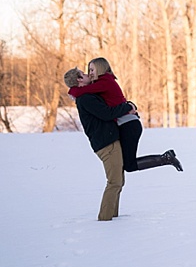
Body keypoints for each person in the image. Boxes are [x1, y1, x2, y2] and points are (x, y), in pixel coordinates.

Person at [63, 67, 181, 221]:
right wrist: (127, 107)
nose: (87, 75)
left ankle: (113, 218)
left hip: (109, 140)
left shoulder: (87, 95)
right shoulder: (86, 99)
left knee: (118, 181)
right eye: (84, 74)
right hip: (106, 144)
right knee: (114, 182)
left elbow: (109, 106)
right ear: (79, 80)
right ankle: (104, 220)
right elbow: (107, 113)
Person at [68, 57, 182, 173]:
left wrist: (72, 91)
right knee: (126, 163)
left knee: (129, 165)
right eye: (89, 71)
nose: (90, 73)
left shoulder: (105, 81)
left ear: (100, 69)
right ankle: (165, 158)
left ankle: (165, 158)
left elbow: (81, 91)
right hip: (125, 123)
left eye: (92, 70)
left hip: (128, 124)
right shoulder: (102, 82)